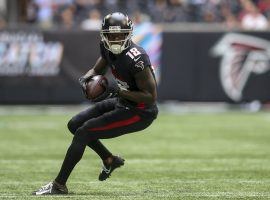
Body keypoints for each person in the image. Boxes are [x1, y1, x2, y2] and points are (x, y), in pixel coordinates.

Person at [32, 12, 158, 195]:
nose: (115, 39)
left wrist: (117, 91)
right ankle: (108, 159)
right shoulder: (106, 48)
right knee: (74, 124)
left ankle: (59, 185)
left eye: (120, 35)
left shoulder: (137, 58)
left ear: (128, 34)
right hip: (123, 102)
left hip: (140, 112)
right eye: (111, 35)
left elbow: (150, 97)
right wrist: (87, 77)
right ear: (104, 35)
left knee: (84, 132)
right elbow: (100, 67)